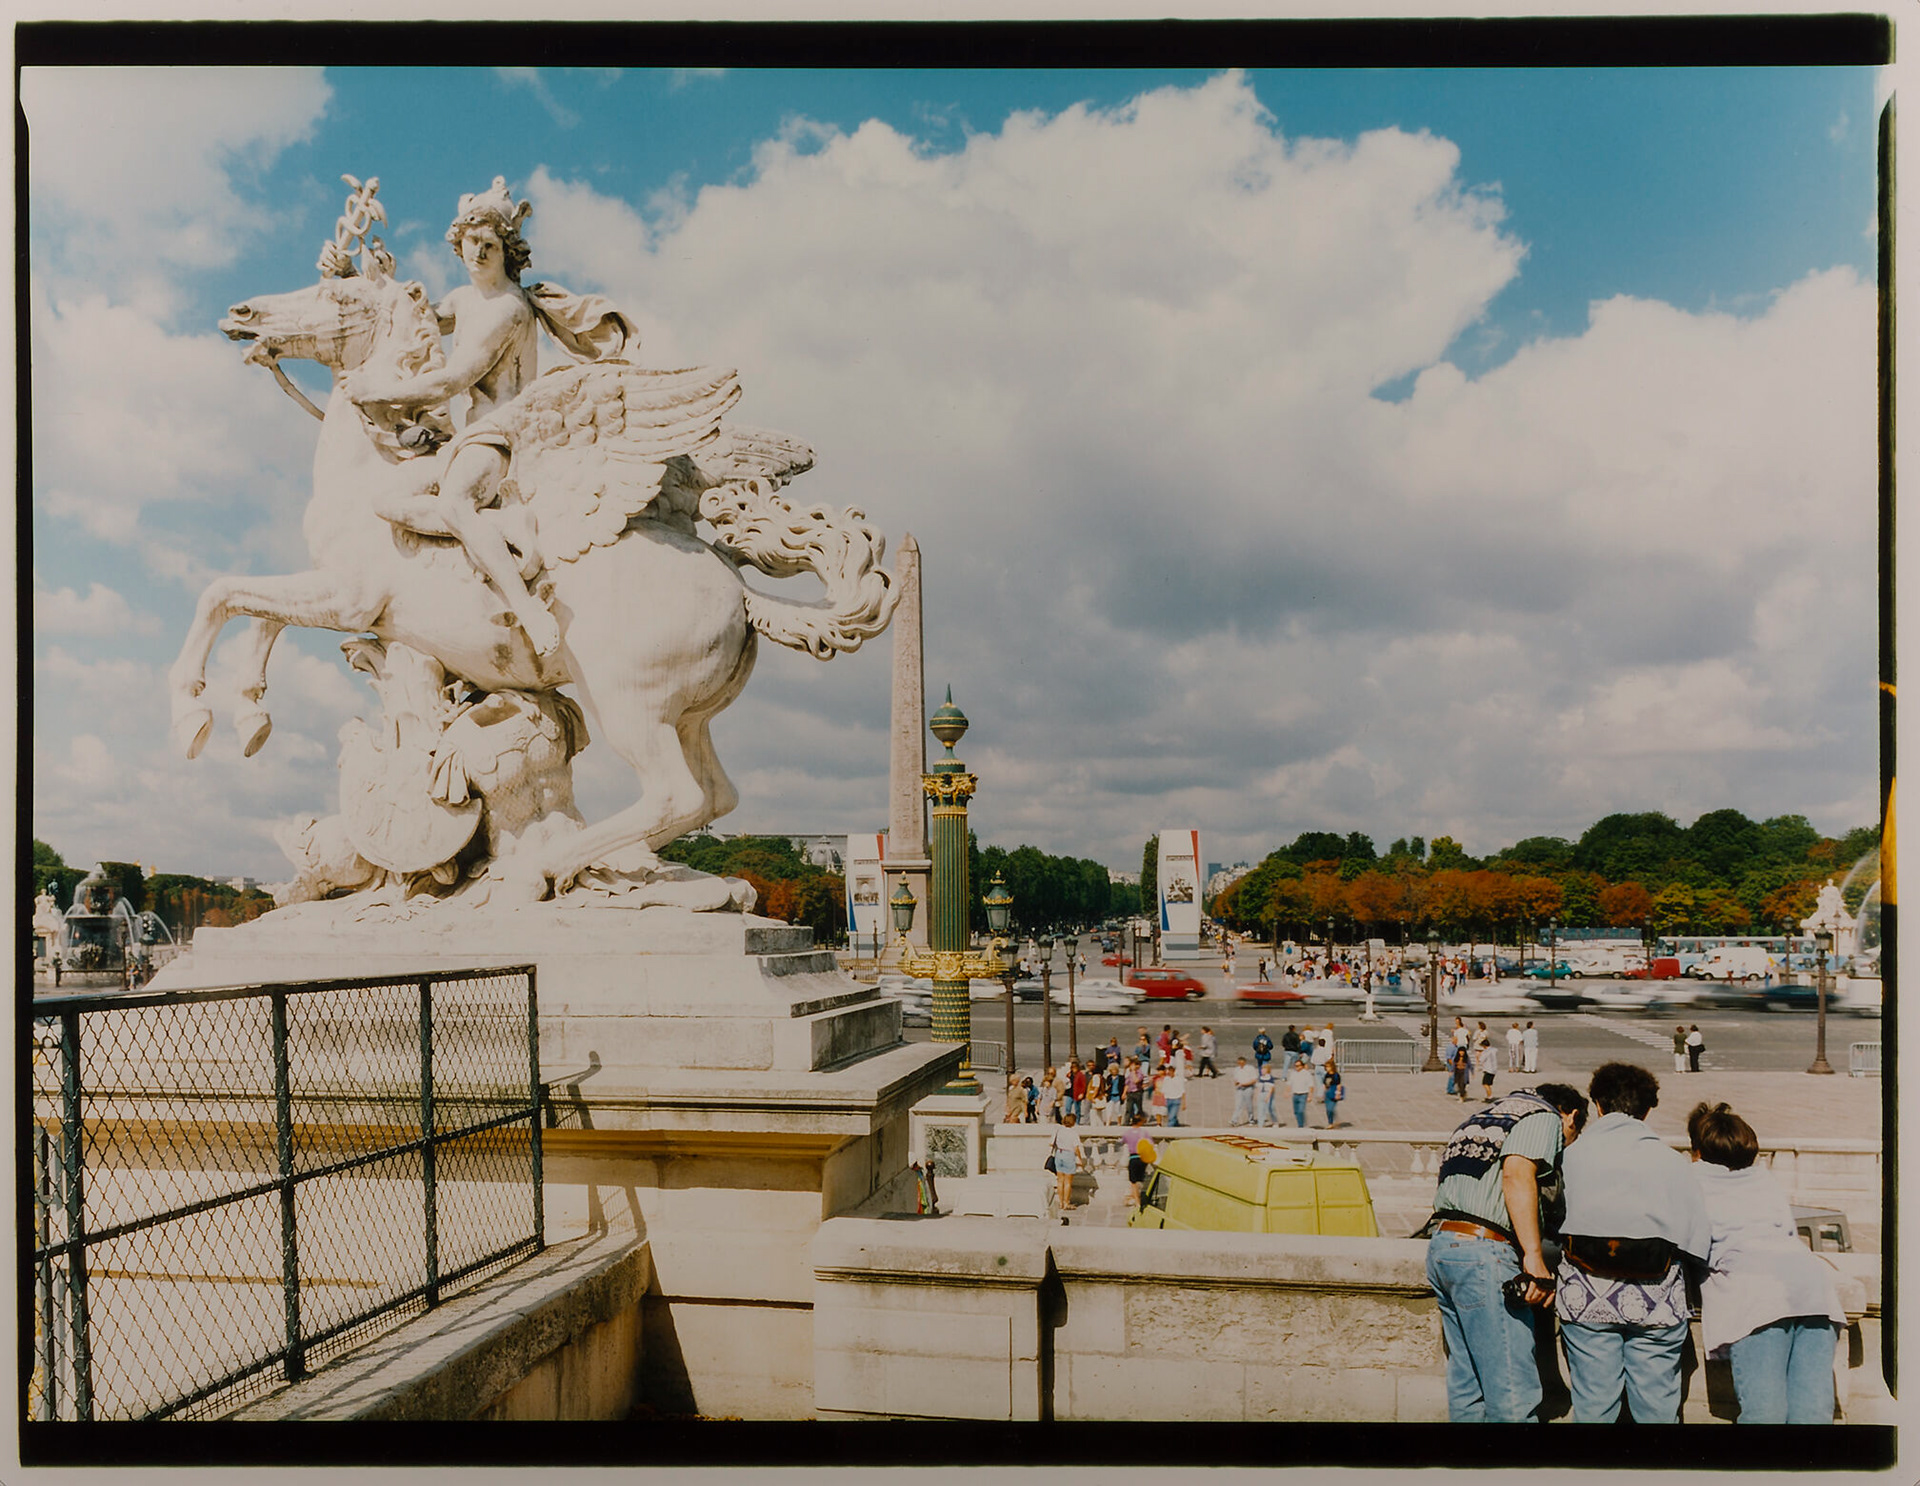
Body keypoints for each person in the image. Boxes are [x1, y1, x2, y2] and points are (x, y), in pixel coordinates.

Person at [347, 177, 633, 660]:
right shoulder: (463, 299)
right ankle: (501, 533)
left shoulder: (507, 309)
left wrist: (379, 391)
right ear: (457, 243)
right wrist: (374, 278)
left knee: (457, 504)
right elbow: (414, 322)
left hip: (503, 436)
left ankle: (526, 607)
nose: (477, 253)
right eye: (470, 243)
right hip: (468, 437)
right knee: (386, 499)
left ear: (507, 251)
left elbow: (450, 381)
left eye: (489, 245)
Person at [1555, 1062, 1711, 1425]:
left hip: (1585, 1296)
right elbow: (1697, 1239)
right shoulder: (1672, 1163)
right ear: (1648, 1109)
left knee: (1594, 1407)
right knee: (1657, 1409)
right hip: (1655, 1299)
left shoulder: (1570, 1157)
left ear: (1597, 1105)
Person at [1424, 1081, 1588, 1422]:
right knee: (1512, 1393)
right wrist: (1533, 1257)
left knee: (1467, 1386)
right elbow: (1516, 1175)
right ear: (1570, 1116)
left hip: (1443, 1247)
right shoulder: (1542, 1116)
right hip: (1485, 1252)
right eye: (1572, 1137)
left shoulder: (1482, 1117)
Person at [1687, 1101, 1844, 1423]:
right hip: (1813, 1288)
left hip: (1755, 1294)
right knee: (1813, 1412)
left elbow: (1691, 1248)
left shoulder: (1692, 1180)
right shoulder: (1765, 1179)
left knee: (1764, 1414)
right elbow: (1787, 1231)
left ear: (1699, 1149)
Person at [1049, 1113, 1086, 1220]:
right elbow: (1076, 1148)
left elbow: (1052, 1143)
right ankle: (1066, 1203)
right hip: (1069, 1155)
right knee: (1068, 1182)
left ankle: (1060, 1202)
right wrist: (1080, 1159)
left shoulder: (1059, 1130)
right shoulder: (1073, 1133)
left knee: (1060, 1180)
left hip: (1059, 1154)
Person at [1288, 1054, 1314, 1128]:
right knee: (1296, 1112)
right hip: (1295, 1094)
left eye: (1298, 1066)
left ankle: (1301, 1125)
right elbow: (1290, 1083)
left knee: (1301, 1110)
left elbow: (1311, 1085)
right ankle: (1301, 1122)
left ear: (1302, 1066)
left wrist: (1310, 1095)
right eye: (1295, 1066)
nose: (1297, 1067)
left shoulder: (1306, 1074)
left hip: (1303, 1094)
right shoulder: (1293, 1073)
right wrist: (1287, 1092)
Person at [1231, 1056, 1257, 1126]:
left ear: (1245, 1062)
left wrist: (1245, 1084)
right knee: (1238, 1105)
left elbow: (1254, 1080)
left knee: (1249, 1105)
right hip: (1240, 1088)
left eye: (1242, 1063)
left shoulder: (1250, 1068)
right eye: (1239, 1063)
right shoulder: (1237, 1069)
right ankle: (1234, 1120)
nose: (1240, 1064)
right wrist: (1237, 1083)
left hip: (1248, 1088)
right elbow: (1235, 1078)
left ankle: (1251, 1119)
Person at [1255, 1056, 1279, 1127]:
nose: (1262, 1070)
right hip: (1261, 1094)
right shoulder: (1260, 1078)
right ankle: (1260, 1124)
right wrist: (1257, 1094)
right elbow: (1258, 1087)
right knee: (1260, 1109)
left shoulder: (1270, 1078)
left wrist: (1268, 1096)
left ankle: (1275, 1121)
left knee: (1270, 1109)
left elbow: (1271, 1088)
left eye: (1264, 1069)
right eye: (1262, 1069)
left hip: (1268, 1094)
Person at [1163, 1059, 1187, 1127]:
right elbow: (1164, 1090)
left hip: (1176, 1099)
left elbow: (1183, 1091)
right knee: (1172, 1115)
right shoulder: (1166, 1079)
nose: (1168, 1073)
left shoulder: (1178, 1080)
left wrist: (1184, 1103)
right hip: (1168, 1099)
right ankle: (1176, 1124)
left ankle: (1169, 1131)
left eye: (1170, 1071)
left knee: (1171, 1117)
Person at [1321, 1058, 1343, 1126]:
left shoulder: (1336, 1075)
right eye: (1326, 1067)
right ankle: (1331, 1122)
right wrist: (1323, 1093)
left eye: (1328, 1067)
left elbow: (1338, 1085)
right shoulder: (1326, 1075)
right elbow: (1324, 1084)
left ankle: (1332, 1122)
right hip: (1327, 1093)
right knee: (1328, 1110)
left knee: (1331, 1108)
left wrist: (1338, 1093)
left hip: (1334, 1092)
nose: (1327, 1068)